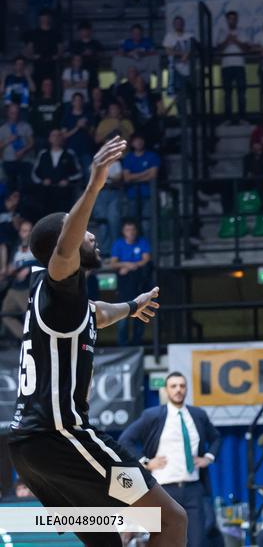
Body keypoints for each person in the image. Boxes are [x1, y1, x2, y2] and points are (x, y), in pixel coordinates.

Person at [7, 136, 186, 545]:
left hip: (34, 454)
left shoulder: (58, 303)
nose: (94, 238)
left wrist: (131, 305)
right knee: (170, 519)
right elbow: (66, 245)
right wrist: (94, 184)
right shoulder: (59, 285)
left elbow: (98, 313)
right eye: (87, 235)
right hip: (63, 439)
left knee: (110, 539)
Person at [119, 372, 220, 547]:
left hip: (193, 487)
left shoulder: (198, 415)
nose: (178, 390)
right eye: (173, 386)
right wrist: (146, 462)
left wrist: (208, 458)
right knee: (165, 540)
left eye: (182, 386)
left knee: (197, 541)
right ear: (166, 390)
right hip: (164, 489)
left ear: (186, 389)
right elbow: (125, 440)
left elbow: (216, 438)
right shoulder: (153, 415)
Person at [215, 10, 250, 120]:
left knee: (241, 93)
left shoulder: (242, 32)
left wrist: (236, 40)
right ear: (227, 20)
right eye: (230, 19)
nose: (232, 21)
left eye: (234, 19)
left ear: (237, 20)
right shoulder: (222, 32)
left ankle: (242, 117)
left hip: (239, 65)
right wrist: (227, 40)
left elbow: (246, 49)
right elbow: (219, 49)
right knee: (227, 94)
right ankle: (228, 118)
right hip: (226, 66)